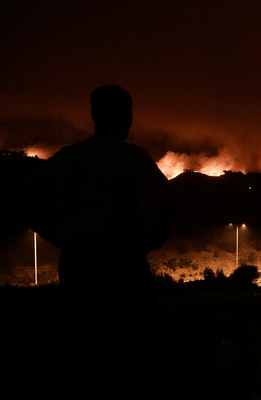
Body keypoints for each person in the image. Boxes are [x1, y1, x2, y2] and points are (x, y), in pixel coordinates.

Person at [24, 85, 175, 363]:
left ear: (94, 114)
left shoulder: (69, 158)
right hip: (125, 264)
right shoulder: (133, 157)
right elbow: (168, 200)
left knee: (84, 345)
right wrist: (153, 239)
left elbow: (25, 200)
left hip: (80, 267)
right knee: (134, 345)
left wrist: (57, 236)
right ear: (127, 117)